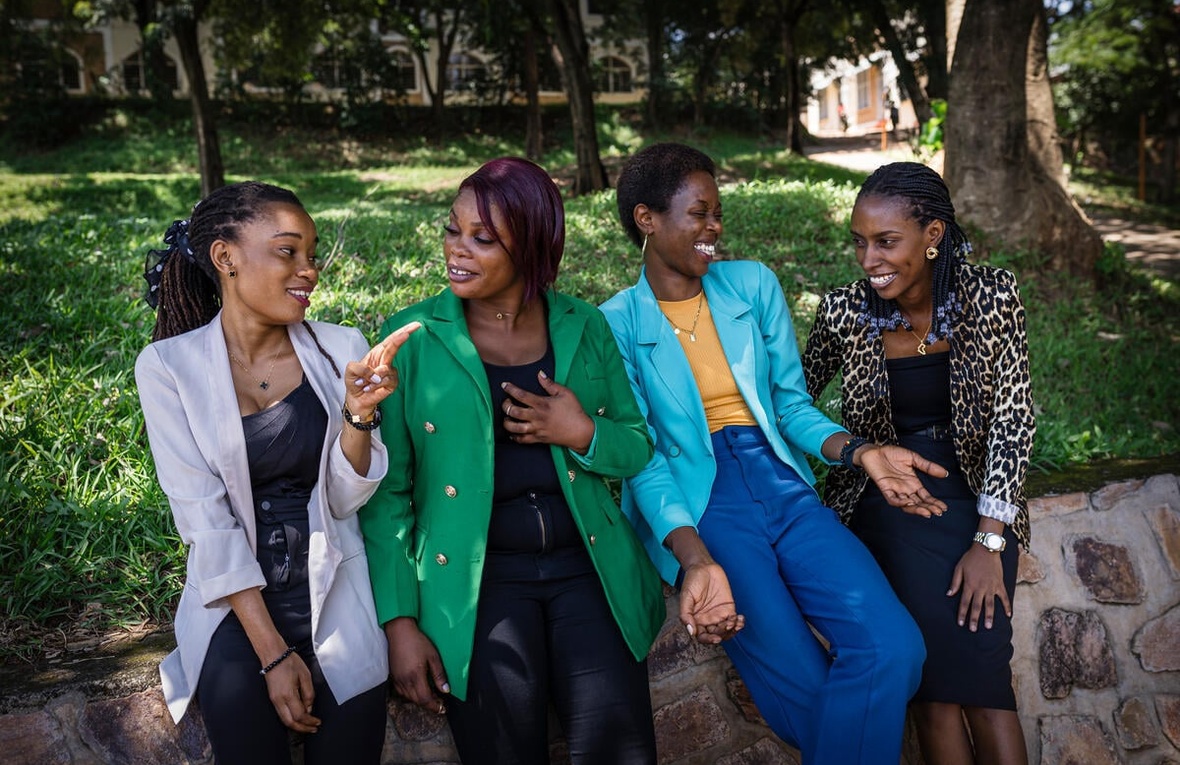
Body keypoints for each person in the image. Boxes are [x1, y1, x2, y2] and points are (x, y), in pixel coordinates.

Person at [358, 157, 740, 765]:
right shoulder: (414, 338)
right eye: (453, 230)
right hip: (479, 579)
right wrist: (400, 623)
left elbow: (637, 445)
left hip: (587, 563)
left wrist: (581, 431)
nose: (458, 249)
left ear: (531, 247)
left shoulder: (583, 325)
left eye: (483, 239)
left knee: (620, 751)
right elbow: (387, 496)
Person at [600, 142, 943, 764]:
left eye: (718, 212)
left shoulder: (752, 285)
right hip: (701, 503)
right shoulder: (615, 322)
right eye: (699, 213)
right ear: (646, 219)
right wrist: (695, 557)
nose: (715, 228)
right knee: (801, 687)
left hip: (782, 483)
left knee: (895, 647)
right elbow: (643, 457)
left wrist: (860, 451)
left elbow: (789, 405)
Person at [135, 181, 420, 765]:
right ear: (226, 257)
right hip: (235, 606)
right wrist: (271, 655)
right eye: (288, 251)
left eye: (311, 254)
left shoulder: (342, 348)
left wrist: (359, 415)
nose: (309, 270)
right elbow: (204, 522)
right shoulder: (168, 367)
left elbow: (344, 501)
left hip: (336, 587)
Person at [802, 161, 1033, 765]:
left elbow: (1014, 419)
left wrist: (990, 542)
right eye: (859, 242)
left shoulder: (992, 296)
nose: (868, 259)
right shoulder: (844, 313)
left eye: (886, 241)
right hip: (888, 504)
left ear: (932, 235)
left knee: (988, 690)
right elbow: (790, 401)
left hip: (979, 505)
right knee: (931, 695)